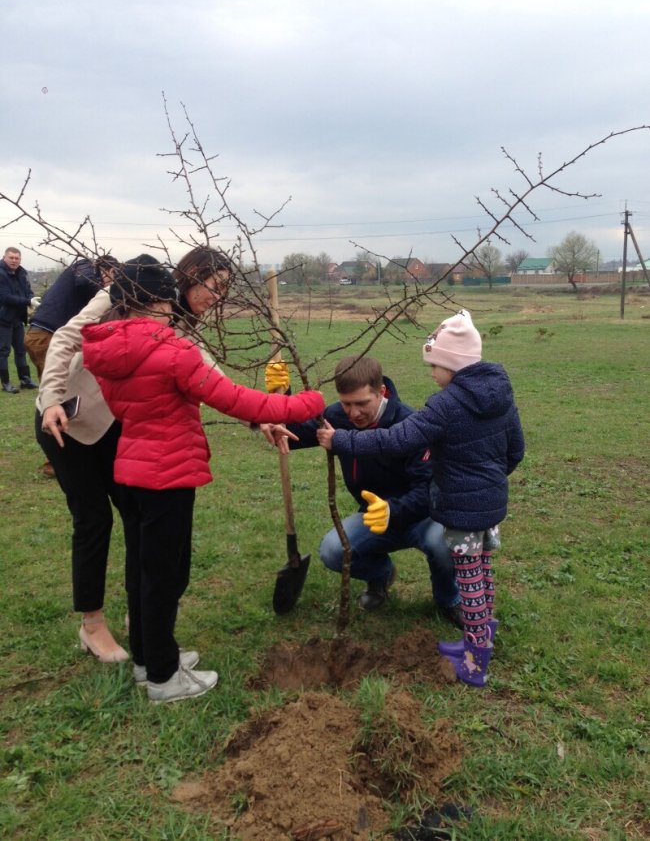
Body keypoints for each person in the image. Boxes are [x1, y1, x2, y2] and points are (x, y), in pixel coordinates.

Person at [36, 248, 291, 672]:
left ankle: (143, 626)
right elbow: (65, 338)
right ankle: (92, 625)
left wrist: (259, 416)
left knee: (140, 524)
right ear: (193, 274)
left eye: (225, 289)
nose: (217, 296)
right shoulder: (129, 291)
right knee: (93, 520)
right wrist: (49, 400)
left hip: (120, 429)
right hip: (67, 421)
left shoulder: (180, 323)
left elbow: (208, 374)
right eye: (215, 285)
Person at [81, 260, 324, 703]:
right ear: (158, 301)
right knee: (164, 576)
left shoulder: (108, 349)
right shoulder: (172, 351)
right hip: (168, 474)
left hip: (131, 470)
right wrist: (305, 404)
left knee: (141, 571)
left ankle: (148, 658)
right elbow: (234, 399)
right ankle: (163, 678)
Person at [316, 311, 525, 687]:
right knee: (483, 575)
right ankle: (482, 637)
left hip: (460, 509)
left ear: (453, 364)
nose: (432, 374)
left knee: (469, 584)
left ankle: (475, 660)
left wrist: (343, 440)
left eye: (435, 366)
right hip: (490, 506)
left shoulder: (446, 404)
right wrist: (488, 482)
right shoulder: (501, 396)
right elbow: (516, 451)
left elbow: (397, 439)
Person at [263, 355, 462, 624]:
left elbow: (427, 493)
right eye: (347, 404)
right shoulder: (336, 418)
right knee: (333, 550)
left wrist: (391, 510)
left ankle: (449, 598)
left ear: (381, 392)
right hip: (372, 517)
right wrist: (280, 399)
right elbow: (291, 434)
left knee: (444, 543)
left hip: (422, 517)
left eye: (362, 404)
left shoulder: (410, 424)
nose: (354, 413)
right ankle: (380, 576)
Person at [24, 255, 119, 477]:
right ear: (106, 268)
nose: (112, 281)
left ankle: (61, 452)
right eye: (113, 275)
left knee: (58, 391)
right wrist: (104, 292)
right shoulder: (85, 266)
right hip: (46, 335)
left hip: (43, 333)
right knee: (59, 392)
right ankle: (59, 455)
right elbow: (84, 281)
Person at [0, 247, 39, 393]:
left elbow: (27, 291)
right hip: (3, 319)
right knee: (3, 351)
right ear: (5, 257)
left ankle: (25, 380)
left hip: (18, 318)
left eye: (17, 258)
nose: (14, 261)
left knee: (21, 350)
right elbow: (5, 297)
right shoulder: (1, 274)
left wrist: (31, 299)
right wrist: (27, 301)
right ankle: (6, 383)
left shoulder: (22, 273)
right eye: (11, 258)